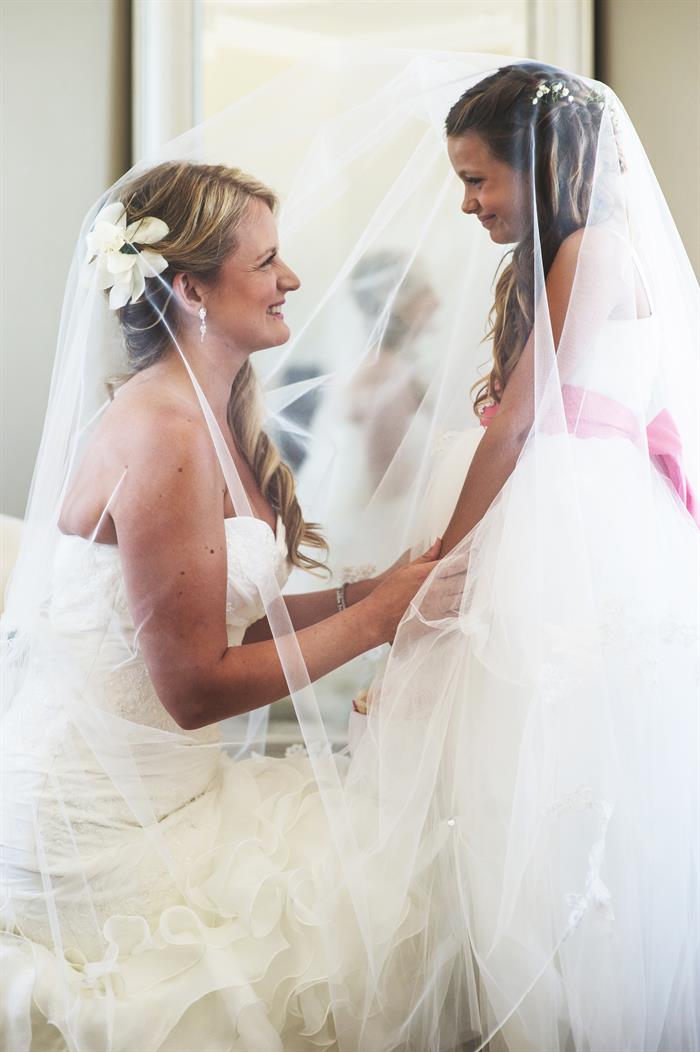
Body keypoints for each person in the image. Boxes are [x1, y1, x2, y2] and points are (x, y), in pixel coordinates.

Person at [350, 63, 699, 1051]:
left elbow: (514, 429)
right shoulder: (557, 256)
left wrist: (432, 569)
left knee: (561, 760)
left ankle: (575, 1009)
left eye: (478, 180)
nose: (465, 204)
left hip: (571, 515)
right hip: (559, 499)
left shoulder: (592, 249)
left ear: (538, 163)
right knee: (507, 766)